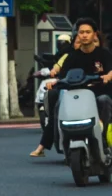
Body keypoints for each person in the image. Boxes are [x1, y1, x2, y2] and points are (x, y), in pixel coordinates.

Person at [31, 20, 112, 158]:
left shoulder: (104, 54)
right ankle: (58, 142)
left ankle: (103, 138)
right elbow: (62, 77)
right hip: (78, 95)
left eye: (88, 32)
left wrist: (107, 76)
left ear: (94, 35)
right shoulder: (72, 56)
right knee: (58, 105)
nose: (84, 35)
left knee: (104, 100)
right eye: (81, 32)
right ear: (77, 35)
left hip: (99, 93)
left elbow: (111, 71)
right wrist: (54, 83)